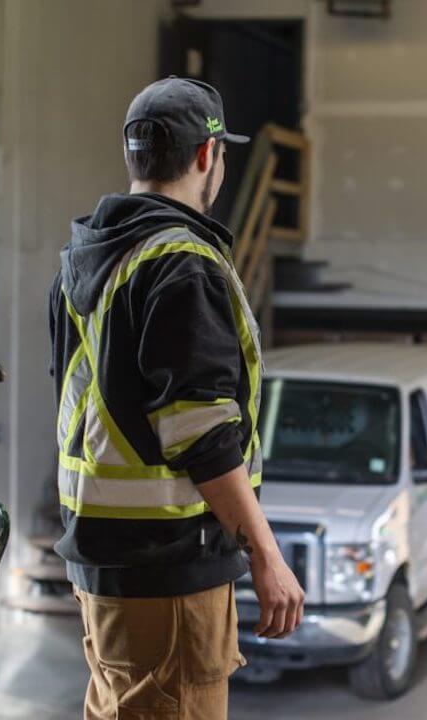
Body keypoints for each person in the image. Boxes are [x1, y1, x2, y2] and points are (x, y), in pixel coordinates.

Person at [48, 77, 303, 720]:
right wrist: (266, 555)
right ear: (205, 158)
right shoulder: (181, 263)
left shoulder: (84, 262)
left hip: (103, 564)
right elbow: (203, 433)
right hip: (166, 568)